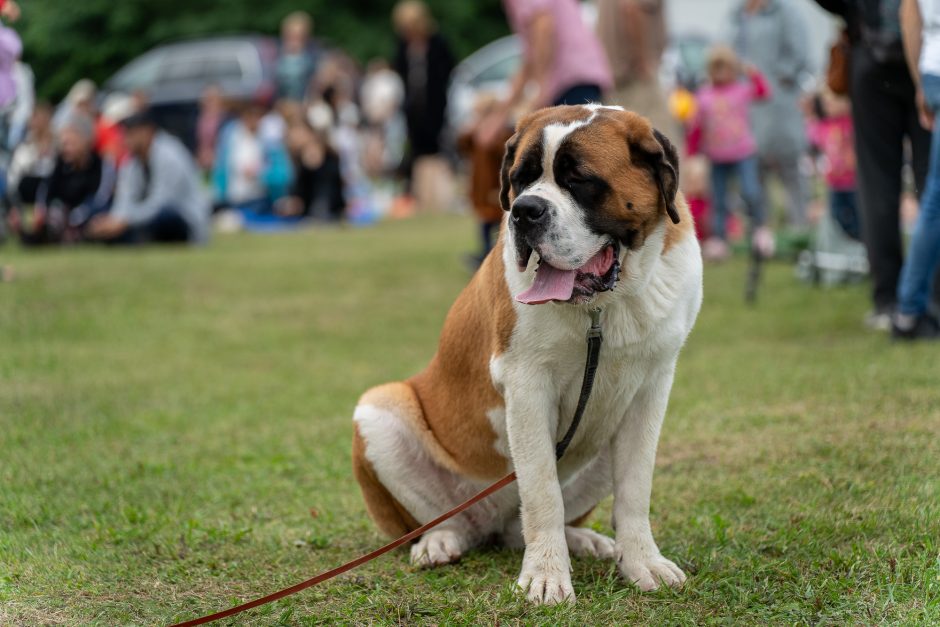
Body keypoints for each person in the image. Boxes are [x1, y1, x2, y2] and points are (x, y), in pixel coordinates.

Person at [815, 0, 933, 330]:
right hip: (924, 56)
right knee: (930, 181)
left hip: (871, 54)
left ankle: (888, 300)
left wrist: (853, 14)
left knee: (878, 184)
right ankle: (930, 295)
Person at [476, 0, 613, 147]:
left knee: (577, 156)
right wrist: (500, 115)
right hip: (581, 74)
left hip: (571, 80)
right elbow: (530, 59)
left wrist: (541, 89)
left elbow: (544, 27)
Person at [728, 0, 811, 233]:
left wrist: (777, 78)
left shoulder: (786, 13)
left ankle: (799, 229)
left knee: (790, 168)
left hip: (780, 105)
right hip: (747, 110)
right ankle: (761, 231)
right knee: (754, 171)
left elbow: (799, 55)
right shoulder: (736, 15)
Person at [688, 45, 774, 261]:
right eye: (715, 69)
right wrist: (692, 154)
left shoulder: (741, 90)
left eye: (724, 68)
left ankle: (759, 230)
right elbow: (696, 127)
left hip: (743, 153)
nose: (720, 74)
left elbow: (764, 93)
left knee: (750, 191)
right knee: (718, 198)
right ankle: (720, 239)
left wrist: (753, 73)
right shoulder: (704, 96)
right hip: (716, 156)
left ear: (732, 69)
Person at [86, 110, 210, 245]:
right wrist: (114, 220)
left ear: (147, 132)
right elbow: (125, 197)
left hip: (183, 220)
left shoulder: (169, 155)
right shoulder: (132, 161)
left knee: (164, 217)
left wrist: (124, 221)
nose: (125, 140)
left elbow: (161, 203)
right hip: (145, 216)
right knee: (98, 214)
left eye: (130, 134)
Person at [893, 0, 940, 339]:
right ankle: (909, 310)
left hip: (933, 66)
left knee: (936, 196)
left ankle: (909, 309)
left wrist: (921, 83)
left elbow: (909, 14)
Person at [10, 112, 114, 245]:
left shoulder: (101, 164)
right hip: (62, 217)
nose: (66, 148)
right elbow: (46, 191)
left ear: (87, 140)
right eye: (64, 143)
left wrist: (73, 219)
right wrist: (42, 212)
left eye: (71, 143)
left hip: (88, 217)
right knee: (53, 213)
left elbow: (100, 198)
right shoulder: (59, 164)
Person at [392, 1, 454, 196]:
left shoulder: (438, 43)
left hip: (436, 105)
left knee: (438, 149)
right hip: (413, 108)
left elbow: (447, 71)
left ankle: (440, 194)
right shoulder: (404, 46)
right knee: (416, 151)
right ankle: (420, 194)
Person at [596, 0, 676, 136]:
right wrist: (643, 60)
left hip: (613, 74)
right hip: (635, 74)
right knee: (656, 138)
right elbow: (631, 9)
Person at [457, 93, 513, 266]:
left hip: (495, 188)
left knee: (499, 225)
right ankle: (485, 254)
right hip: (481, 188)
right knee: (484, 224)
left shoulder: (502, 135)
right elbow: (462, 146)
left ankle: (496, 257)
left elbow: (504, 157)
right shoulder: (476, 135)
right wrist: (470, 131)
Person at [212, 99, 293, 214]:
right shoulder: (230, 137)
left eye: (258, 116)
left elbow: (284, 174)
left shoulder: (271, 142)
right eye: (250, 116)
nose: (254, 121)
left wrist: (261, 174)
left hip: (260, 200)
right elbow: (220, 170)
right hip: (233, 199)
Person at [808, 88, 859, 240]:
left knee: (857, 212)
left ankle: (861, 239)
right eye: (825, 104)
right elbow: (813, 139)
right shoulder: (823, 126)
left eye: (832, 103)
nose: (828, 106)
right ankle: (852, 238)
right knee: (837, 212)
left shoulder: (851, 123)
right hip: (834, 181)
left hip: (853, 180)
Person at [277, 122, 345, 221]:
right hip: (307, 209)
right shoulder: (299, 159)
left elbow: (332, 188)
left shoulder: (330, 158)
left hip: (329, 207)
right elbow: (298, 191)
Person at [275, 11, 318, 103]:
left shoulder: (313, 58)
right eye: (291, 35)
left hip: (303, 104)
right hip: (277, 105)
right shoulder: (274, 55)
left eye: (299, 36)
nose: (295, 40)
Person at [195, 85, 226, 174]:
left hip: (219, 163)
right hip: (202, 165)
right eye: (206, 99)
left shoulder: (227, 120)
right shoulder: (198, 119)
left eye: (211, 99)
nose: (208, 102)